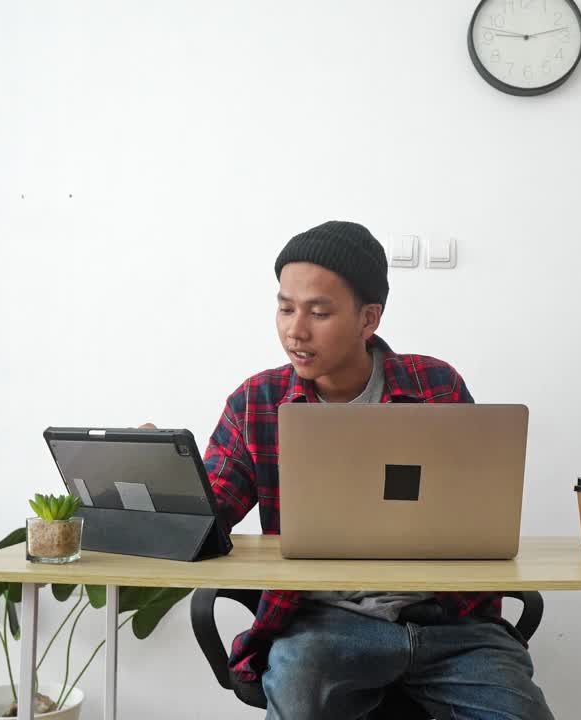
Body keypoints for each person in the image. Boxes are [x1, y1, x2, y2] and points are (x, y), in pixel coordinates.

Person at [150, 220, 553, 720]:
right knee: (299, 693)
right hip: (325, 623)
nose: (296, 330)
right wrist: (167, 472)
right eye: (285, 308)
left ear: (369, 319)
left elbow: (478, 511)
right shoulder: (258, 401)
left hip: (452, 623)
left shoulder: (436, 386)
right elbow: (209, 519)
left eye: (319, 312)